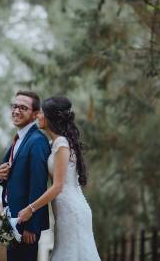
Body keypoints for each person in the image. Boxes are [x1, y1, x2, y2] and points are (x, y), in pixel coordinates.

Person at [17, 96, 101, 261]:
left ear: (50, 117)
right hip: (64, 211)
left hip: (72, 211)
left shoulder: (62, 144)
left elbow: (58, 186)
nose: (37, 116)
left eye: (40, 112)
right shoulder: (53, 143)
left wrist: (30, 209)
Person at [0, 90, 51, 261]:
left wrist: (31, 227)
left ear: (35, 114)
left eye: (23, 108)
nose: (16, 111)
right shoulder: (18, 138)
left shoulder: (37, 141)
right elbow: (11, 177)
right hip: (10, 220)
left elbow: (39, 185)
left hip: (26, 226)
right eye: (14, 106)